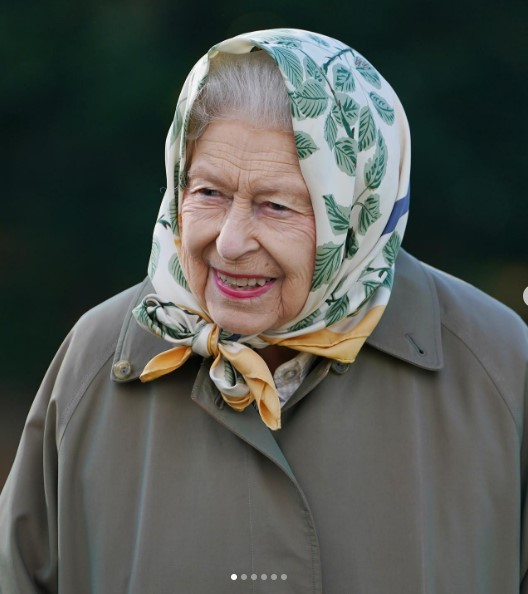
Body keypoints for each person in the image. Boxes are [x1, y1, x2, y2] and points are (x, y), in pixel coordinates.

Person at [0, 28, 526, 594]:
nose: (229, 242)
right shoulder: (100, 358)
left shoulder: (498, 364)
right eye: (208, 193)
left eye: (275, 206)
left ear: (356, 211)